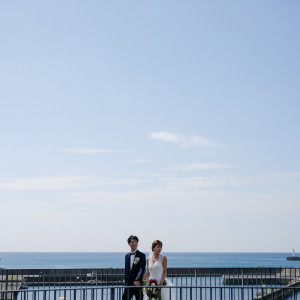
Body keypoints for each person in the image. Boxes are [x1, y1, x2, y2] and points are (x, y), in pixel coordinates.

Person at [123, 235, 146, 300]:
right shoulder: (127, 256)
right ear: (129, 243)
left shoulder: (141, 255)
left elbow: (142, 268)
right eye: (132, 242)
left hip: (137, 284)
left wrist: (138, 279)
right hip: (128, 284)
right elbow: (127, 269)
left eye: (136, 242)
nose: (134, 244)